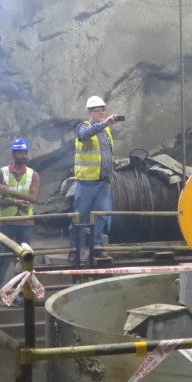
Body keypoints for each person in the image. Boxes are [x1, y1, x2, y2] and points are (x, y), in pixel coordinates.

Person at [0, 138, 40, 307]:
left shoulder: (33, 174)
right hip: (6, 222)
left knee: (23, 260)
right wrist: (15, 202)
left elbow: (34, 198)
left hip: (25, 223)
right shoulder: (1, 173)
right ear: (13, 154)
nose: (23, 156)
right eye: (20, 152)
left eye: (25, 152)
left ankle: (19, 293)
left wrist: (9, 192)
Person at [69, 95, 121, 262]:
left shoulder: (106, 131)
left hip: (103, 182)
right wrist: (104, 123)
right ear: (89, 112)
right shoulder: (83, 127)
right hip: (86, 182)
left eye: (103, 110)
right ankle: (74, 249)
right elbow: (84, 136)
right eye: (98, 110)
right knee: (80, 216)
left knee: (101, 215)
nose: (102, 113)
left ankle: (96, 247)